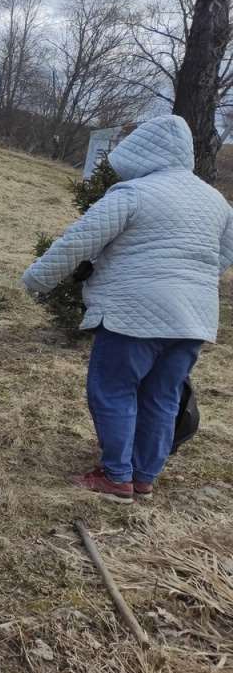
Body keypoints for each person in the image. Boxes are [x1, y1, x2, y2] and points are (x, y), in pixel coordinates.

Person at [22, 114, 233, 503]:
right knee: (163, 395)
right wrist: (188, 282)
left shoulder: (133, 193)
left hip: (133, 311)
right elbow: (224, 255)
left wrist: (37, 280)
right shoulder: (215, 200)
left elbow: (78, 242)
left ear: (140, 152)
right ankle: (143, 477)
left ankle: (116, 477)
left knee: (113, 389)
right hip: (195, 317)